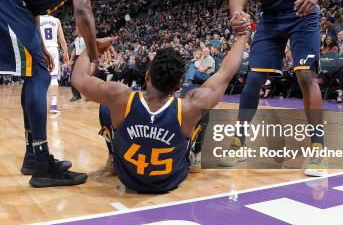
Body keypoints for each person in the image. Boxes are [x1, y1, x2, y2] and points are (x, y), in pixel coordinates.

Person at [0, 0, 120, 188]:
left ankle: (33, 157)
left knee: (36, 74)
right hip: (5, 2)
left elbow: (33, 7)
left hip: (14, 5)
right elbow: (82, 10)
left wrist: (41, 46)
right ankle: (42, 165)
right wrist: (93, 52)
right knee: (40, 77)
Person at [71, 33, 249, 193]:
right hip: (170, 180)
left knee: (105, 107)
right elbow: (226, 72)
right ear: (179, 84)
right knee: (202, 109)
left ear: (147, 76)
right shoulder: (190, 107)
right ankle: (195, 153)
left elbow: (78, 78)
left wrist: (90, 49)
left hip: (128, 179)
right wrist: (242, 35)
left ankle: (112, 157)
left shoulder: (120, 96)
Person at [228, 0, 328, 176]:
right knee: (254, 78)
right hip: (270, 18)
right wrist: (237, 11)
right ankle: (238, 141)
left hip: (301, 13)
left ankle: (319, 150)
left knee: (304, 73)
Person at [38, 14, 69, 114]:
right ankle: (54, 105)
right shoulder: (56, 20)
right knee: (54, 78)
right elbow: (62, 40)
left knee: (40, 78)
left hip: (42, 49)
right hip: (53, 49)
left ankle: (39, 105)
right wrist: (66, 53)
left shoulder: (38, 18)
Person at [69, 28, 86, 101]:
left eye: (76, 29)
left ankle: (88, 95)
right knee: (72, 76)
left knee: (85, 77)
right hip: (77, 58)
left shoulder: (86, 38)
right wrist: (70, 60)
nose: (75, 31)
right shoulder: (76, 40)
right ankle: (76, 95)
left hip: (84, 57)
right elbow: (74, 51)